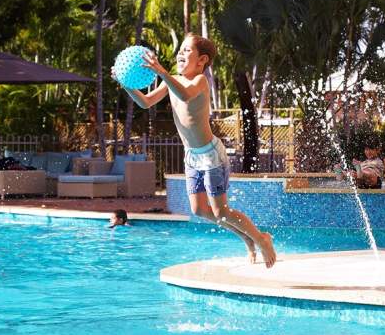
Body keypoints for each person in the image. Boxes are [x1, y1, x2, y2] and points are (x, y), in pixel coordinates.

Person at [113, 34, 276, 267]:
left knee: (221, 212)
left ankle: (261, 239)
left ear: (202, 60)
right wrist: (125, 83)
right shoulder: (172, 80)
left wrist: (161, 71)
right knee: (199, 210)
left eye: (187, 51)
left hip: (210, 155)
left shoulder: (199, 81)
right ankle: (246, 237)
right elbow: (146, 102)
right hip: (191, 157)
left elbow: (185, 94)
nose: (180, 53)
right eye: (181, 49)